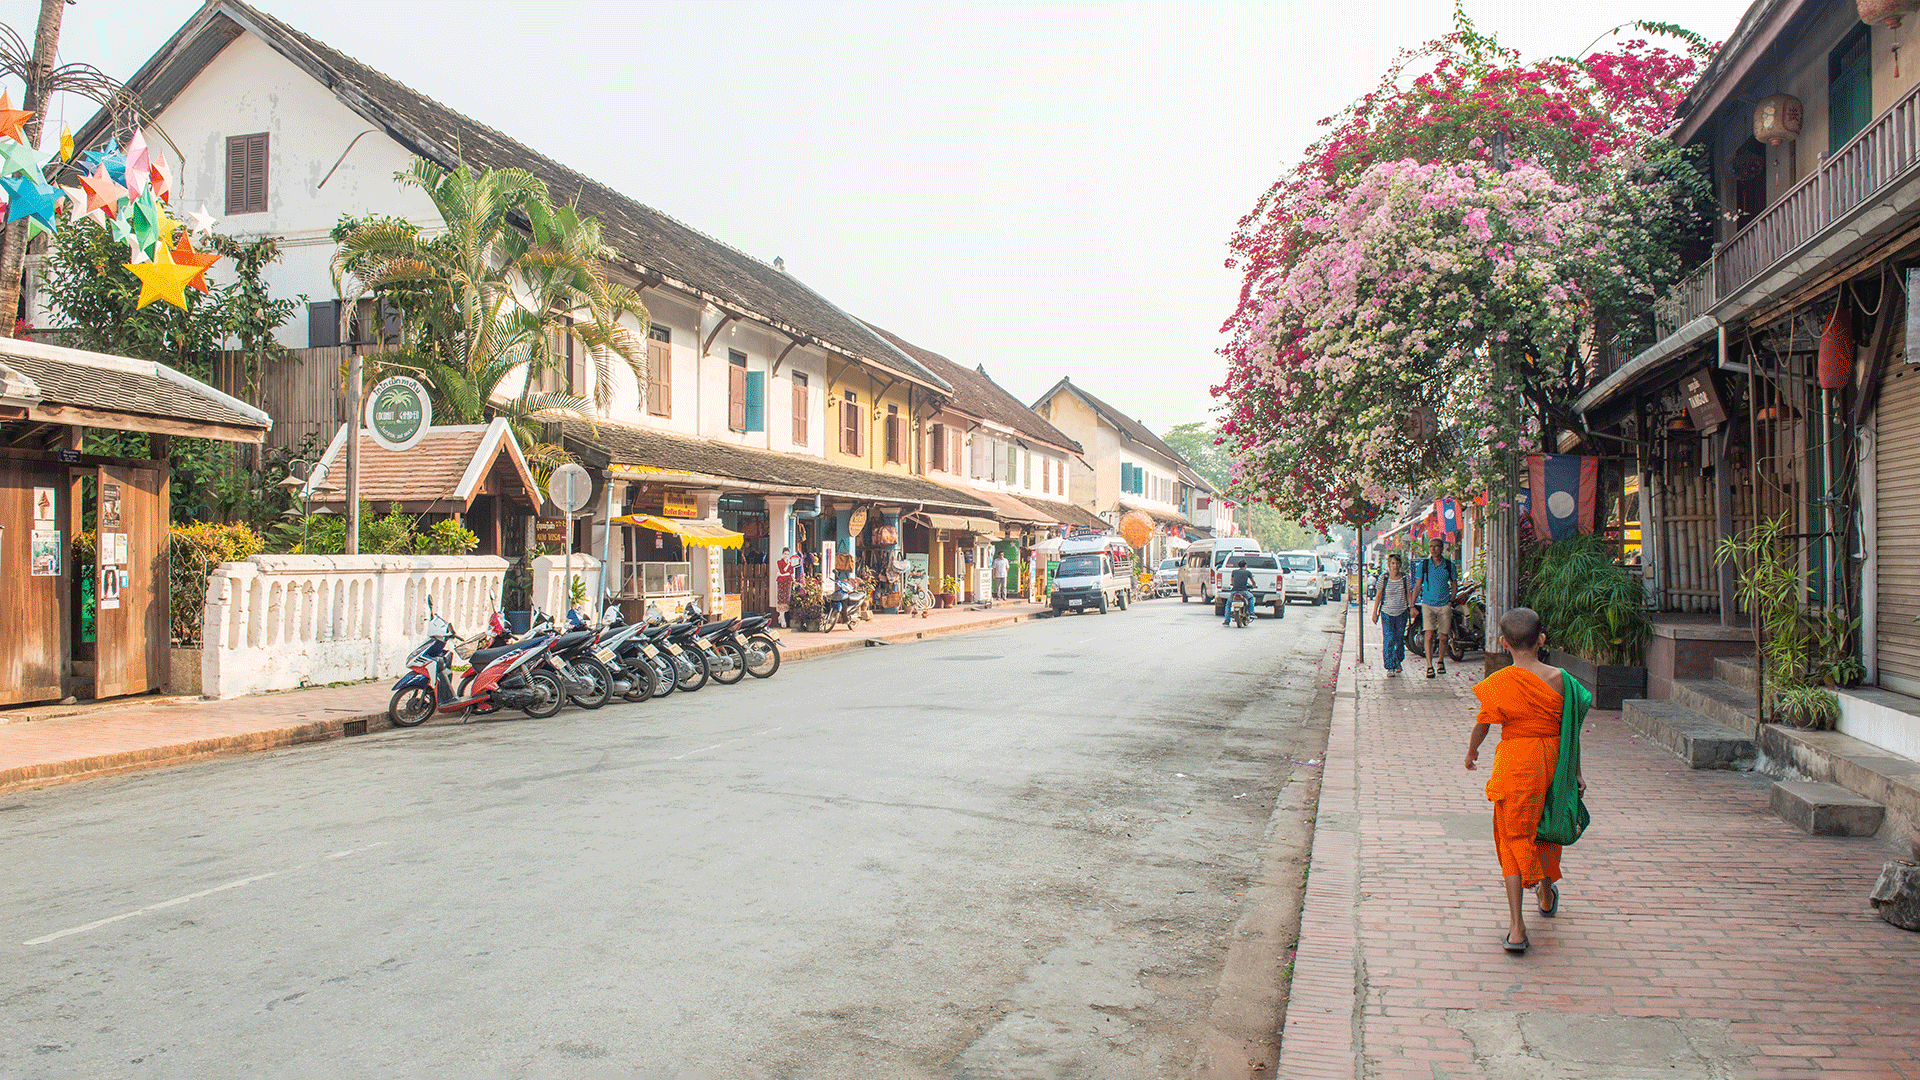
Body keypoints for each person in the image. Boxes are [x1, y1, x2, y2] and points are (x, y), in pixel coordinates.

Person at [1464, 607, 1590, 955]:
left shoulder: (1500, 682)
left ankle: (1517, 928)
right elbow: (1570, 731)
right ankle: (1546, 891)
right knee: (1546, 825)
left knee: (1512, 835)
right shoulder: (1563, 679)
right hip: (1554, 760)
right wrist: (1575, 771)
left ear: (1504, 643)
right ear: (1542, 640)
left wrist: (1471, 753)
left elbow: (1483, 724)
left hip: (1517, 761)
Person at [1410, 536, 1460, 678]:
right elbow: (1418, 585)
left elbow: (1454, 583)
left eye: (1436, 546)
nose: (1433, 549)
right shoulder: (1424, 565)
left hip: (1444, 604)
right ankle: (1429, 665)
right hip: (1428, 604)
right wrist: (1412, 605)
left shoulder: (1448, 565)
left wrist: (1451, 600)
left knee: (1444, 636)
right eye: (1431, 546)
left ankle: (1440, 661)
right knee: (1429, 634)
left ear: (1442, 548)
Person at [1370, 552, 1412, 676]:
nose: (1395, 566)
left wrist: (1412, 607)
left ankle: (1398, 660)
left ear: (1400, 564)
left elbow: (1409, 594)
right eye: (1393, 563)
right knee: (1389, 639)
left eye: (1397, 563)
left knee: (1399, 639)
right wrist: (1374, 613)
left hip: (1401, 612)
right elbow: (1378, 596)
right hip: (1387, 613)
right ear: (1389, 564)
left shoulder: (1405, 578)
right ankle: (1390, 666)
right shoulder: (1384, 578)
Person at [1223, 558, 1255, 626]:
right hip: (1243, 591)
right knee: (1251, 598)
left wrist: (1232, 584)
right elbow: (1252, 581)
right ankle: (1252, 613)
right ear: (1245, 566)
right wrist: (1254, 585)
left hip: (1234, 591)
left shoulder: (1234, 572)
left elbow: (1232, 581)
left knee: (1228, 605)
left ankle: (1226, 621)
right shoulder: (1247, 572)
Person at [775, 546, 798, 627]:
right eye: (785, 554)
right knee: (781, 597)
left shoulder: (790, 562)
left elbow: (791, 571)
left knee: (786, 597)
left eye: (788, 554)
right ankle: (782, 617)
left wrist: (784, 572)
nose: (786, 556)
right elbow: (783, 570)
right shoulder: (779, 562)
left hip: (787, 580)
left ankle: (782, 616)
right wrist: (787, 566)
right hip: (781, 581)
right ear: (782, 554)